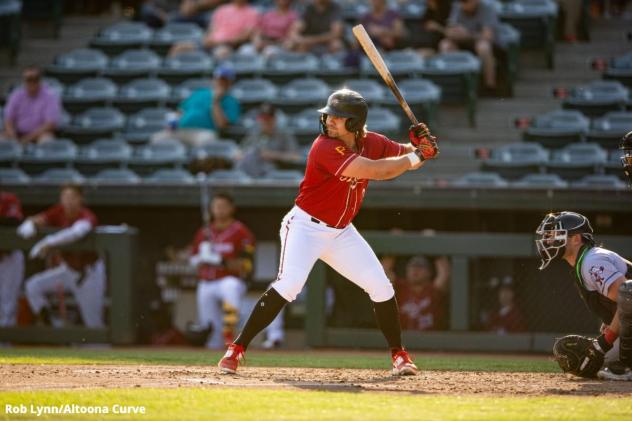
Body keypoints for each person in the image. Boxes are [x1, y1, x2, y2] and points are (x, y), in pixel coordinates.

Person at [218, 88, 439, 375]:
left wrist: (421, 148)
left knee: (381, 287)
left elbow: (405, 156)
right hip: (305, 227)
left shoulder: (372, 141)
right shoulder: (324, 146)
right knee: (289, 285)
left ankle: (399, 356)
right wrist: (419, 155)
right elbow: (378, 171)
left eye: (338, 117)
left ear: (354, 123)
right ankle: (235, 349)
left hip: (340, 232)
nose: (329, 121)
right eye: (329, 115)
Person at [536, 211, 632, 380]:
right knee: (592, 362)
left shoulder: (591, 261)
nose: (549, 240)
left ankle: (627, 366)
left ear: (576, 239)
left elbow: (629, 296)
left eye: (557, 235)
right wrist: (611, 323)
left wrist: (605, 341)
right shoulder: (585, 261)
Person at [17, 185, 106, 328]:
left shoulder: (87, 215)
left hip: (89, 274)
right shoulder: (58, 211)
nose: (68, 201)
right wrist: (31, 222)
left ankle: (100, 349)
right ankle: (50, 323)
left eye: (72, 197)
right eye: (65, 197)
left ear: (80, 199)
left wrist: (48, 242)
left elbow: (76, 233)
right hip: (68, 271)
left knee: (93, 324)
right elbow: (41, 218)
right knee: (33, 286)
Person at [189, 192, 256, 348]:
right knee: (210, 326)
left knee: (230, 288)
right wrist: (200, 258)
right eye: (216, 206)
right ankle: (214, 353)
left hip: (229, 279)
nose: (219, 210)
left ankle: (232, 335)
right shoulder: (204, 232)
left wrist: (219, 260)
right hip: (206, 282)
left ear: (231, 208)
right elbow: (192, 260)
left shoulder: (240, 231)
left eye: (223, 206)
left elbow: (247, 265)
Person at [151, 65, 240, 147]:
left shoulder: (231, 101)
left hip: (203, 132)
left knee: (207, 141)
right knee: (157, 138)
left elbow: (222, 125)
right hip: (181, 130)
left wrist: (216, 101)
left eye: (224, 80)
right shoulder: (200, 93)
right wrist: (173, 121)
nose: (220, 82)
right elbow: (181, 111)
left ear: (230, 83)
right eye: (218, 79)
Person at [439, 0, 499, 92]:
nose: (464, 4)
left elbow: (488, 36)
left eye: (466, 1)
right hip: (461, 42)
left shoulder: (487, 8)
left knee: (483, 47)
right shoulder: (457, 6)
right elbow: (450, 29)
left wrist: (468, 35)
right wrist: (453, 33)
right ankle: (456, 83)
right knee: (445, 45)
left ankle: (489, 85)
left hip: (479, 42)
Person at [169, 0, 260, 60]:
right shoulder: (222, 9)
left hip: (229, 46)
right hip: (211, 44)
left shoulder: (252, 12)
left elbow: (244, 36)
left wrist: (220, 42)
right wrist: (207, 39)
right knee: (179, 47)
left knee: (221, 53)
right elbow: (211, 29)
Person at [236, 103, 301, 177]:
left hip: (275, 175)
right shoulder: (255, 132)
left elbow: (296, 157)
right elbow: (239, 152)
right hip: (251, 171)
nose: (265, 122)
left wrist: (273, 155)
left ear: (274, 119)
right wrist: (243, 154)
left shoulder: (284, 134)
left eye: (268, 119)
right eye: (263, 119)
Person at [2, 66, 61, 144]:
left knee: (47, 140)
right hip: (18, 134)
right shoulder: (16, 95)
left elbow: (50, 124)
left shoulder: (50, 96)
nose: (32, 82)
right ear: (24, 80)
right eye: (29, 79)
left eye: (35, 79)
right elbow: (8, 120)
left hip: (40, 134)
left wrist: (29, 138)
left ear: (40, 80)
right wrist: (13, 136)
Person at [396, 256, 448, 331]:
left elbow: (444, 273)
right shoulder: (400, 288)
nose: (415, 270)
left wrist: (436, 251)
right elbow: (384, 271)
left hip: (429, 339)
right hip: (402, 338)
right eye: (412, 267)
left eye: (420, 267)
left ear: (429, 273)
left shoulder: (433, 290)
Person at [0, 192, 24, 327]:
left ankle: (5, 343)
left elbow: (14, 221)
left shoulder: (9, 199)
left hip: (10, 256)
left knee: (8, 303)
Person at [140, 0, 222, 29]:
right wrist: (162, 15)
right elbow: (149, 5)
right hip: (164, 17)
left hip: (189, 17)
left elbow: (187, 11)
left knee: (209, 17)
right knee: (146, 9)